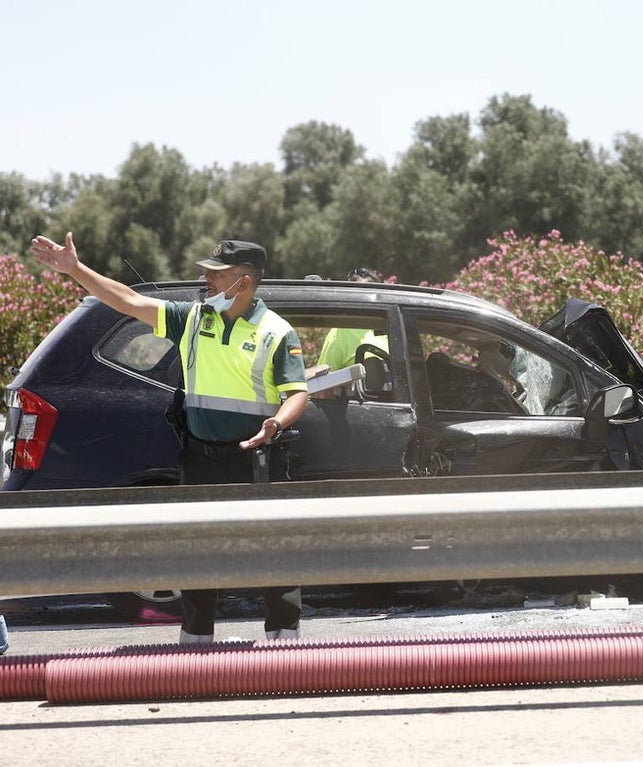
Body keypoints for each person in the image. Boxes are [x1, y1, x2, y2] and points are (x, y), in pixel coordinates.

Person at [30, 233, 309, 644]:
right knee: (198, 551)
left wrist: (276, 424)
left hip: (256, 459)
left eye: (216, 274)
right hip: (200, 458)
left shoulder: (276, 331)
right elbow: (128, 300)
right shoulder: (194, 318)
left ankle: (284, 639)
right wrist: (75, 270)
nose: (206, 280)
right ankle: (196, 643)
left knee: (274, 549)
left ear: (243, 282)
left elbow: (297, 392)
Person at [316, 267, 388, 371]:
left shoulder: (387, 328)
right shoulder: (341, 332)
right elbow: (322, 380)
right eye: (357, 294)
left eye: (367, 293)